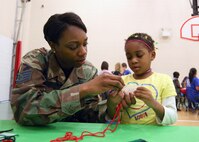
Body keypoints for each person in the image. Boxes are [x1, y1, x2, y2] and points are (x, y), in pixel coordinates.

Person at [11, 12, 124, 126]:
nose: (83, 52)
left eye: (85, 44)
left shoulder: (88, 71)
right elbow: (24, 111)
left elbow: (91, 119)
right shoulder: (36, 61)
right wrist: (83, 89)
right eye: (73, 46)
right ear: (53, 45)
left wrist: (111, 107)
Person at [107, 33, 177, 125]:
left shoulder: (164, 80)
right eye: (129, 57)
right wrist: (112, 105)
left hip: (154, 137)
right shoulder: (121, 81)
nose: (133, 60)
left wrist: (153, 103)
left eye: (139, 55)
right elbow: (112, 117)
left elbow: (172, 117)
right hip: (127, 136)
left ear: (152, 55)